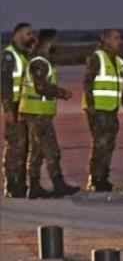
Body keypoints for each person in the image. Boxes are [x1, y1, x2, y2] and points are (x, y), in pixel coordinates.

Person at [20, 29, 79, 198]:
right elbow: (41, 87)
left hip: (37, 112)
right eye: (56, 41)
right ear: (49, 42)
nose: (58, 45)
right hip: (37, 113)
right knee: (51, 150)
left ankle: (34, 186)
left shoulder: (42, 60)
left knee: (37, 151)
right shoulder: (40, 62)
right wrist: (61, 93)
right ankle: (57, 184)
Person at [83, 29, 123, 192]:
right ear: (105, 40)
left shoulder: (119, 62)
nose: (120, 41)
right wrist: (90, 107)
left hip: (111, 109)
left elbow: (122, 86)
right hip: (98, 109)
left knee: (109, 145)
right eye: (116, 38)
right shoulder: (97, 58)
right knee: (100, 144)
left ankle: (103, 177)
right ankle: (95, 179)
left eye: (120, 38)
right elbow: (87, 83)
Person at [2, 23, 35, 198]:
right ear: (18, 34)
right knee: (15, 147)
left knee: (23, 147)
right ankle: (12, 186)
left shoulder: (25, 55)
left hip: (24, 107)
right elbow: (5, 84)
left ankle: (20, 185)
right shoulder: (9, 55)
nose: (31, 37)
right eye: (28, 34)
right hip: (14, 106)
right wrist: (7, 109)